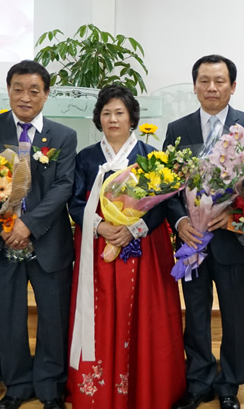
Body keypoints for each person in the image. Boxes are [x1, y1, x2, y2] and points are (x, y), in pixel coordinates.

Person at [67, 84, 186, 408]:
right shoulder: (87, 158)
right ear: (98, 119)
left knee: (146, 316)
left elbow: (165, 203)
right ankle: (98, 390)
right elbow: (75, 203)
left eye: (119, 112)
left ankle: (146, 388)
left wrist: (134, 229)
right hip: (98, 248)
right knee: (100, 313)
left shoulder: (150, 157)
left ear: (132, 117)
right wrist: (101, 225)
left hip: (144, 249)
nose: (113, 119)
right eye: (106, 113)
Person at [165, 54, 244, 409]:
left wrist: (232, 217)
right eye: (204, 81)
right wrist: (181, 223)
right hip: (192, 243)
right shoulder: (177, 130)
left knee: (234, 315)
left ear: (232, 86)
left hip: (231, 241)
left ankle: (229, 385)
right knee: (195, 314)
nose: (212, 87)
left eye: (219, 81)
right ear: (194, 86)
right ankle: (199, 382)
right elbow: (167, 188)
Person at [0, 60, 77, 409]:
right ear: (8, 90)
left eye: (34, 90)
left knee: (53, 318)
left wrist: (28, 224)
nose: (25, 97)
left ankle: (50, 388)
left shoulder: (63, 136)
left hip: (47, 241)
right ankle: (16, 386)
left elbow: (63, 187)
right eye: (18, 89)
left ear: (46, 94)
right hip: (0, 241)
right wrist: (5, 225)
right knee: (8, 318)